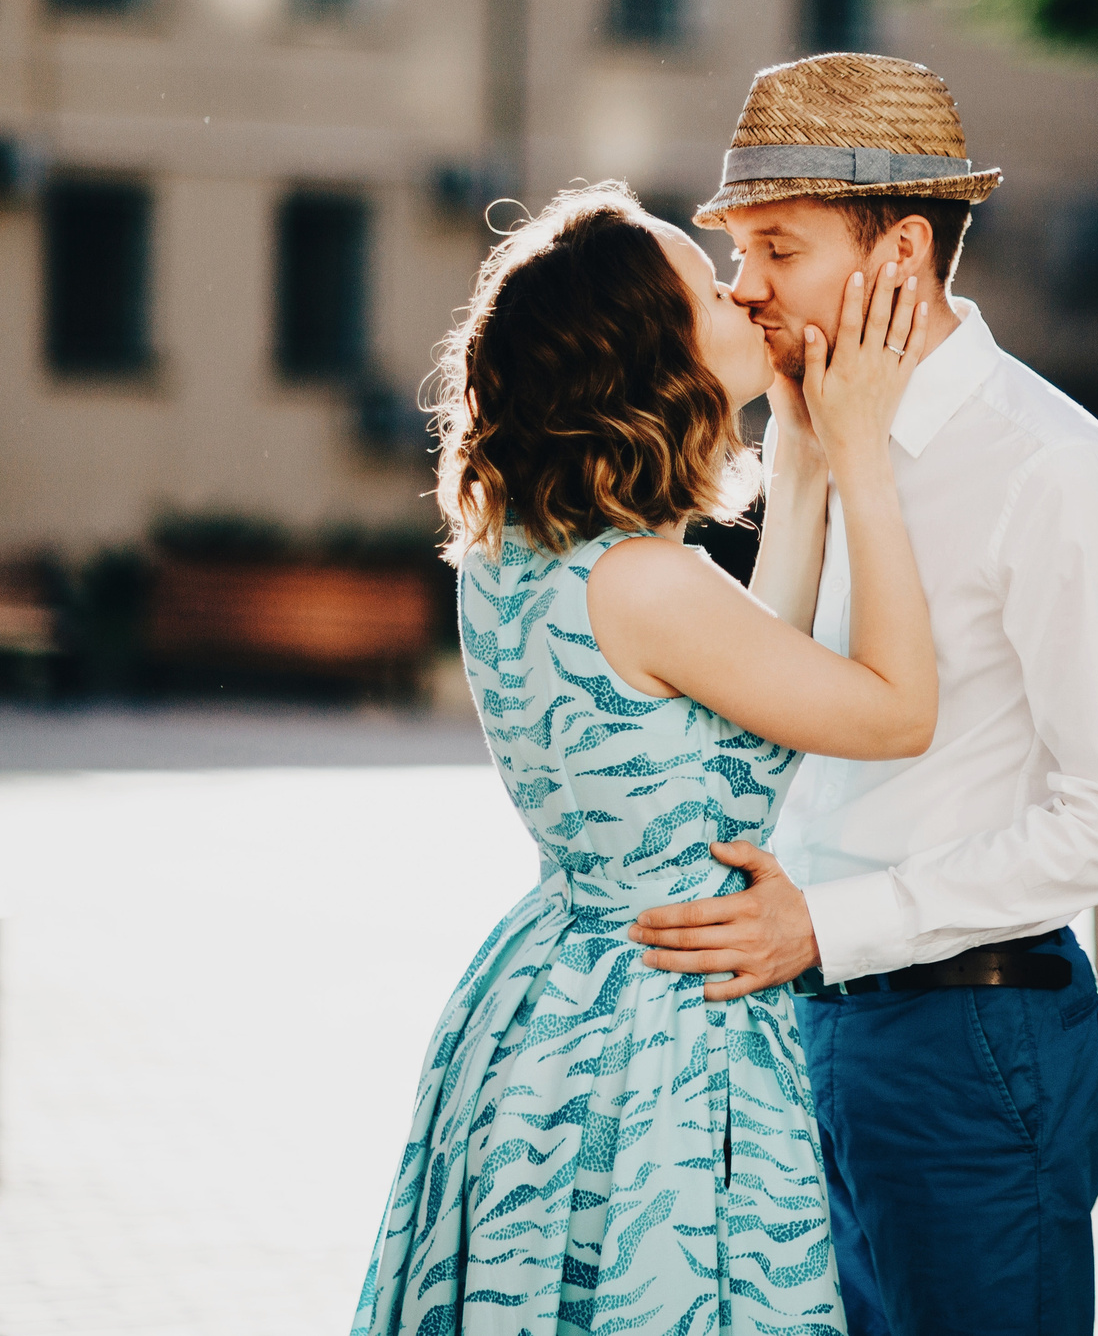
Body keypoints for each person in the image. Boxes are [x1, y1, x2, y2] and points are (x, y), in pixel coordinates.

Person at [624, 52, 1098, 1336]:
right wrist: (808, 464)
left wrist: (835, 924)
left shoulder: (1051, 467)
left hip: (969, 1046)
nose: (744, 287)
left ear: (902, 251)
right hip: (805, 1032)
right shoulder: (811, 430)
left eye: (778, 247)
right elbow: (772, 706)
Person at [354, 181, 935, 1336]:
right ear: (651, 351)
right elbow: (893, 710)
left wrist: (805, 453)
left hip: (550, 997)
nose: (744, 290)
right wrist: (866, 458)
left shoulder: (523, 551)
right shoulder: (648, 582)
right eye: (708, 285)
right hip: (663, 1030)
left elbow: (749, 676)